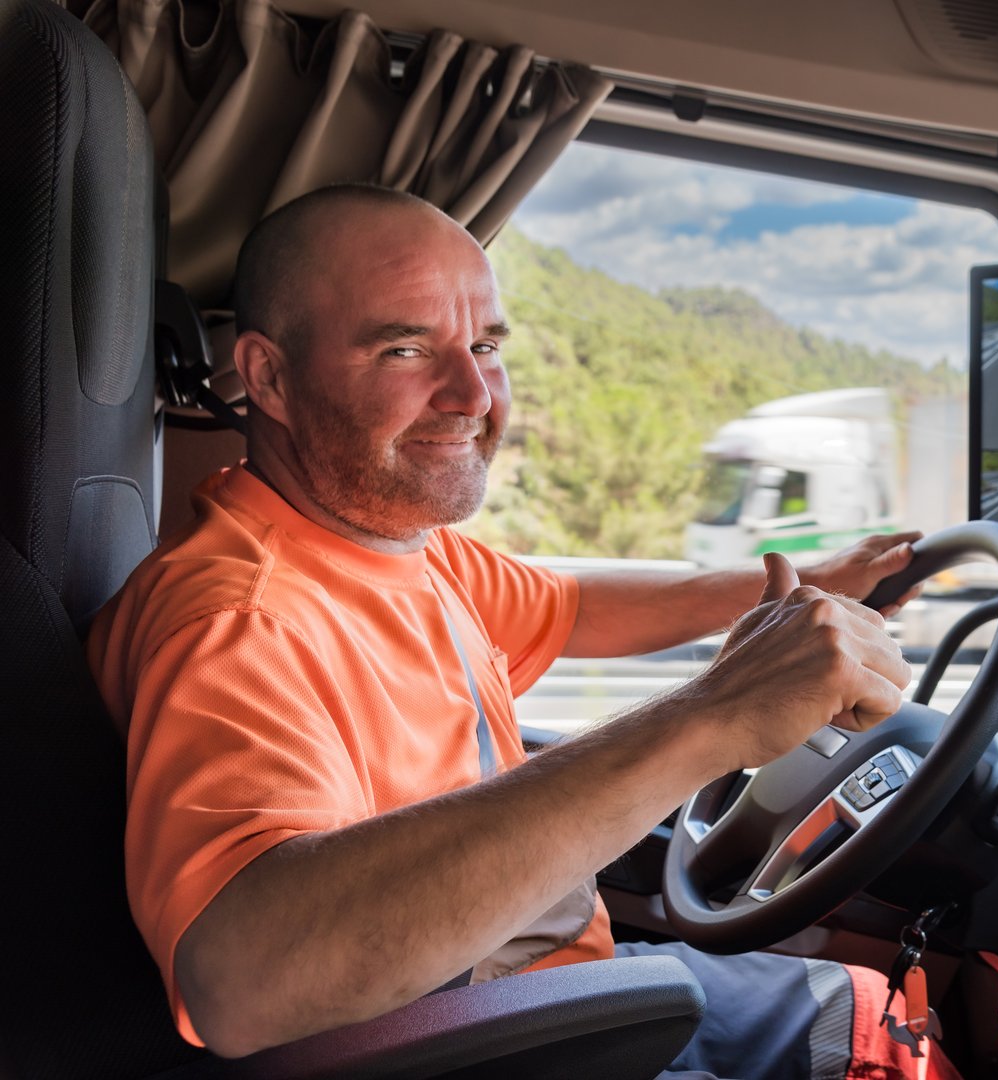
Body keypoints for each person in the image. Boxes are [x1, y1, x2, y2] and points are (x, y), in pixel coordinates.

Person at [88, 184, 954, 1079]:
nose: (472, 393)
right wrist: (713, 716)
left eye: (486, 346)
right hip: (480, 1042)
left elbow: (572, 601)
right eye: (403, 348)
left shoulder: (391, 546)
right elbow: (243, 982)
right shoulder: (237, 619)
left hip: (547, 995)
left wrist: (815, 583)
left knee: (872, 1010)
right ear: (268, 375)